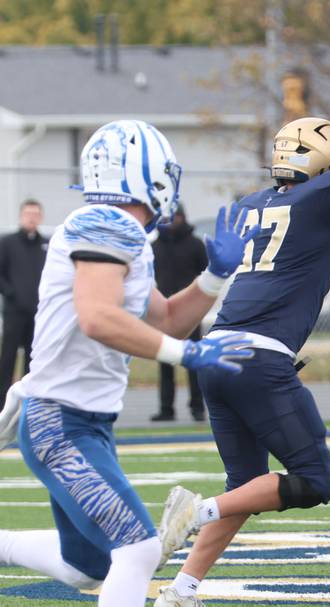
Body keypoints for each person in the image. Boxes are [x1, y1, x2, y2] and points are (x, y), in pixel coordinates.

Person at [153, 51, 330, 607]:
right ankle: (195, 511)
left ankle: (181, 590)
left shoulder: (252, 203)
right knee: (313, 480)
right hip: (260, 358)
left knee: (245, 488)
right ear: (328, 162)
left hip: (216, 352)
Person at [0, 120, 257, 607]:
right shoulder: (108, 224)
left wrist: (215, 276)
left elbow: (167, 320)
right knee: (138, 550)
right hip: (61, 420)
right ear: (149, 174)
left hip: (81, 419)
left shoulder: (122, 233)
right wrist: (188, 355)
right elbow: (98, 317)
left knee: (87, 566)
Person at [151, 204, 209, 422]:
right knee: (164, 359)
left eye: (176, 216)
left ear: (183, 217)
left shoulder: (195, 244)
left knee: (193, 360)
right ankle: (166, 409)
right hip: (163, 310)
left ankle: (197, 407)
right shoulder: (155, 246)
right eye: (168, 216)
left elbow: (206, 273)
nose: (172, 220)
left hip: (190, 311)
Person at [0, 200, 48, 406]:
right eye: (28, 213)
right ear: (21, 216)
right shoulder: (7, 243)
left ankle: (30, 404)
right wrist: (11, 294)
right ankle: (3, 403)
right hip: (14, 312)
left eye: (35, 214)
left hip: (38, 313)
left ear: (41, 217)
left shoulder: (47, 245)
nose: (31, 218)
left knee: (34, 359)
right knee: (8, 358)